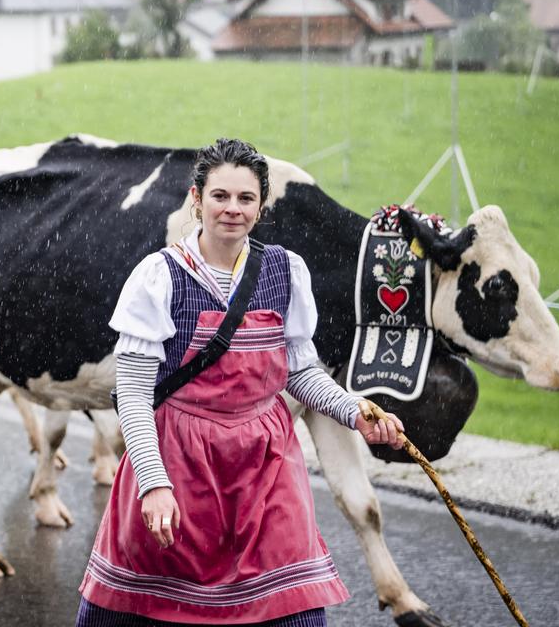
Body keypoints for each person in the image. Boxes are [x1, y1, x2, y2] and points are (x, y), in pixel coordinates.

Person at [76, 139, 406, 627]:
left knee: (295, 610)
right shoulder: (159, 277)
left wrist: (354, 410)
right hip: (177, 461)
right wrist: (153, 483)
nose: (233, 209)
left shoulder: (285, 270)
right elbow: (135, 393)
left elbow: (301, 371)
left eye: (246, 198)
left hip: (266, 463)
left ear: (261, 205)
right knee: (131, 609)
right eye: (220, 196)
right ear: (197, 198)